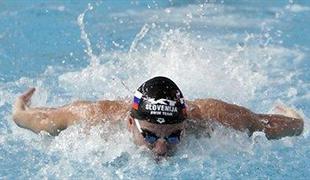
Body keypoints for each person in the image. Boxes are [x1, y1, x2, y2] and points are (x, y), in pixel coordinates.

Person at [12, 76, 304, 157]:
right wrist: (19, 106)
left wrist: (295, 119)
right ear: (130, 123)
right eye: (149, 135)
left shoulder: (216, 117)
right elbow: (33, 119)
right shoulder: (93, 118)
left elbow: (272, 125)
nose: (162, 149)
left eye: (174, 135)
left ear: (186, 122)